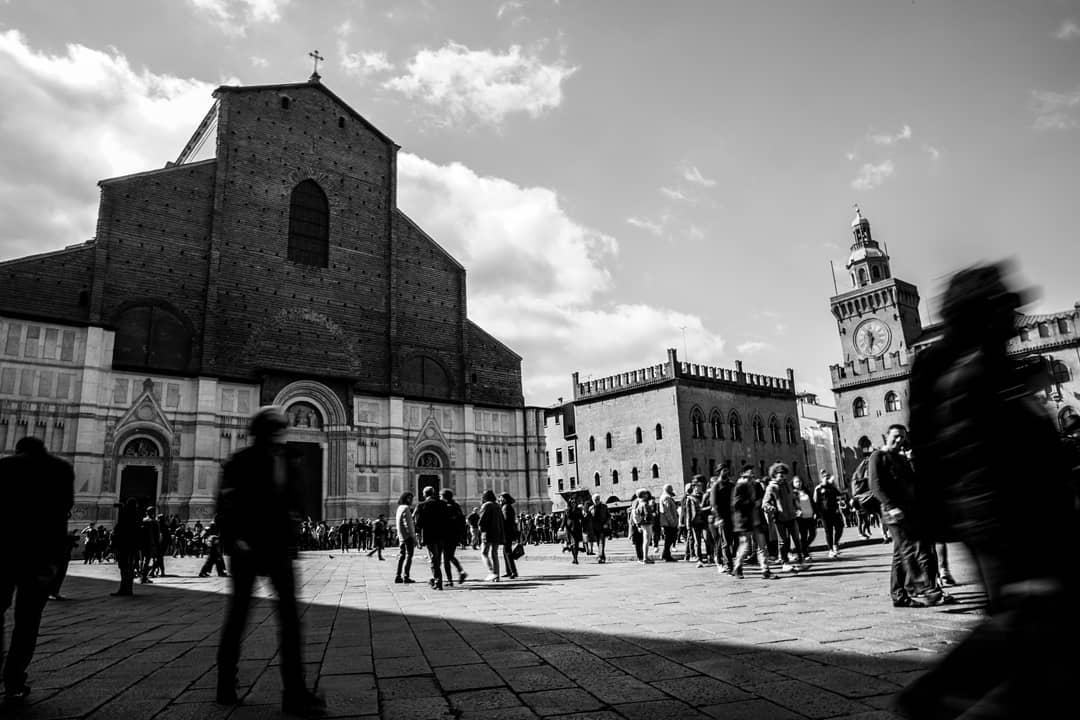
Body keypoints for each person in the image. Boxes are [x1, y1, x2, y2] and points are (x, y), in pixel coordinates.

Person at [898, 264, 1080, 718]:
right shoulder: (973, 376)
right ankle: (932, 698)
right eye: (1005, 307)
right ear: (983, 314)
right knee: (1032, 642)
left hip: (1018, 529)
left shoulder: (991, 370)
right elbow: (982, 466)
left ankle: (934, 698)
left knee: (1030, 643)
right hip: (1011, 531)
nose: (1016, 317)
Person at [215, 406, 325, 716]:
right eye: (277, 428)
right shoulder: (240, 461)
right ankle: (226, 682)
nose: (282, 433)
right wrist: (236, 538)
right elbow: (225, 504)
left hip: (278, 550)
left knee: (290, 620)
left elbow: (296, 501)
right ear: (265, 431)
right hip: (246, 550)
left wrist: (295, 522)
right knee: (238, 616)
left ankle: (295, 692)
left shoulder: (287, 460)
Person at [0, 437, 74, 703]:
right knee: (28, 622)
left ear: (18, 449)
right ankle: (14, 680)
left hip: (4, 553)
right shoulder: (60, 468)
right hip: (41, 556)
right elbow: (65, 508)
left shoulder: (4, 467)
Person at [869, 425, 942, 608]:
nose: (899, 440)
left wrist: (912, 461)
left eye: (902, 437)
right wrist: (891, 506)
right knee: (907, 549)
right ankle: (923, 587)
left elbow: (914, 483)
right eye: (895, 436)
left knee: (900, 554)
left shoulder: (901, 458)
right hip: (892, 513)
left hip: (908, 511)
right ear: (886, 436)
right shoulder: (878, 456)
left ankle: (899, 595)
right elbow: (875, 485)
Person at [762, 463, 806, 572]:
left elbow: (792, 499)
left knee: (796, 539)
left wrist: (797, 508)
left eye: (783, 474)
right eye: (779, 474)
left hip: (791, 516)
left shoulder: (787, 485)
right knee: (783, 542)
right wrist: (771, 507)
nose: (782, 476)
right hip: (779, 518)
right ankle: (785, 562)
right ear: (774, 475)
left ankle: (801, 560)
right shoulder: (771, 487)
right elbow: (765, 503)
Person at [731, 464, 770, 579]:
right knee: (745, 546)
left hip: (757, 519)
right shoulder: (739, 487)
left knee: (762, 546)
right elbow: (736, 504)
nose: (752, 474)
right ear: (743, 474)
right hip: (745, 521)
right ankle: (737, 567)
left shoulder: (757, 485)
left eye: (752, 472)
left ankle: (765, 569)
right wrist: (752, 503)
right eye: (749, 472)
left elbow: (762, 498)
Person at [413, 486, 450, 590]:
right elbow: (447, 519)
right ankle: (436, 579)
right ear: (433, 493)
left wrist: (418, 535)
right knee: (438, 558)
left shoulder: (422, 505)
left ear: (424, 494)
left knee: (434, 559)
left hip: (430, 536)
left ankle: (438, 581)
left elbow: (419, 523)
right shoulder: (442, 504)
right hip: (442, 535)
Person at [112, 498, 141, 596]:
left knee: (124, 567)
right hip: (133, 546)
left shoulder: (126, 516)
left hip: (124, 546)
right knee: (130, 567)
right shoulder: (137, 516)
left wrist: (114, 545)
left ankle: (123, 588)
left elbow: (118, 530)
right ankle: (129, 589)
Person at [710, 467, 735, 574]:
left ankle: (732, 563)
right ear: (719, 472)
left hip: (732, 516)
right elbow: (714, 504)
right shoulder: (716, 486)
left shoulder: (731, 485)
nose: (726, 472)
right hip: (722, 518)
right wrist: (719, 518)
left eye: (727, 470)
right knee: (725, 543)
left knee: (732, 542)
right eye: (724, 470)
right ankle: (729, 566)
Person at [814, 470, 845, 558]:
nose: (826, 479)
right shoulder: (818, 488)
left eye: (827, 477)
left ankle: (835, 544)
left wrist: (834, 484)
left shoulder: (832, 487)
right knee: (829, 532)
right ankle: (830, 549)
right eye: (824, 477)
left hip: (834, 511)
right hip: (824, 513)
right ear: (821, 478)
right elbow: (816, 501)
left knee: (840, 527)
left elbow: (840, 495)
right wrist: (817, 513)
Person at [440, 489, 468, 585]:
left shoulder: (445, 507)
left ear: (443, 497)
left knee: (446, 558)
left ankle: (450, 580)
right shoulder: (456, 506)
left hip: (446, 535)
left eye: (440, 496)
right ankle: (461, 571)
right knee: (450, 556)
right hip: (455, 535)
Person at [478, 490, 504, 581]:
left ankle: (491, 572)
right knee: (494, 554)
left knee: (484, 553)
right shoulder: (497, 505)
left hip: (488, 533)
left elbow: (482, 520)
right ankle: (497, 576)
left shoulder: (486, 505)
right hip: (497, 532)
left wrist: (480, 530)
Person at [792, 476, 817, 561]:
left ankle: (803, 547)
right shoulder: (793, 493)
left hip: (810, 515)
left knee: (813, 534)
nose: (798, 483)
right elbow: (792, 505)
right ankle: (805, 553)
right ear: (793, 483)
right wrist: (796, 511)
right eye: (796, 482)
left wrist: (815, 512)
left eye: (799, 481)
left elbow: (812, 502)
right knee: (804, 535)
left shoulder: (806, 491)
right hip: (801, 518)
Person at [394, 492, 417, 584]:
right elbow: (408, 525)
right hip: (407, 537)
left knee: (402, 556)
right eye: (410, 498)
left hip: (401, 536)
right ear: (406, 499)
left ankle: (398, 575)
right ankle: (406, 576)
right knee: (409, 556)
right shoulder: (406, 508)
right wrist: (413, 537)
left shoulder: (399, 508)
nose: (411, 501)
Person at [629, 489, 654, 564]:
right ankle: (641, 557)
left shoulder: (641, 502)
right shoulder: (638, 502)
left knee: (643, 541)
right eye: (645, 493)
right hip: (638, 524)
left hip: (639, 523)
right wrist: (637, 525)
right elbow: (634, 514)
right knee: (639, 541)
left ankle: (643, 557)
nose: (647, 495)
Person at [499, 494, 520, 578]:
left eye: (501, 498)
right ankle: (509, 571)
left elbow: (506, 521)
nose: (499, 499)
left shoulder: (506, 507)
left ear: (504, 499)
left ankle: (513, 572)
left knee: (507, 552)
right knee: (505, 552)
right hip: (509, 532)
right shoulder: (507, 506)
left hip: (507, 532)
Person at [659, 484, 680, 562]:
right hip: (668, 523)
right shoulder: (666, 498)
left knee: (669, 539)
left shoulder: (666, 497)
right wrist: (672, 522)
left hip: (668, 522)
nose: (672, 490)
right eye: (671, 489)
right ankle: (666, 555)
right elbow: (667, 511)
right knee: (670, 539)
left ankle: (666, 554)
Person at [589, 494, 610, 563]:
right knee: (598, 543)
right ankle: (602, 557)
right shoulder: (591, 508)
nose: (596, 501)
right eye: (595, 500)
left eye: (598, 499)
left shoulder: (604, 506)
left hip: (602, 527)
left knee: (601, 542)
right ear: (593, 500)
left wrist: (606, 523)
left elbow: (608, 516)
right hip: (594, 528)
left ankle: (600, 556)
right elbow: (588, 518)